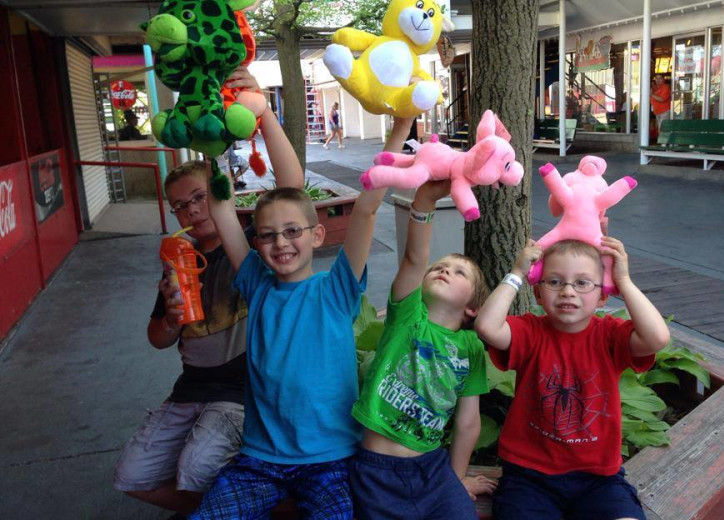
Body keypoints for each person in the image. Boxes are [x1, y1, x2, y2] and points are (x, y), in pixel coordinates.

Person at [188, 117, 415, 519]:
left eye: (292, 230)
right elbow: (222, 209)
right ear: (255, 242)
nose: (280, 242)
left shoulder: (336, 288)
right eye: (267, 234)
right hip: (260, 460)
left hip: (331, 459)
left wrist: (401, 125)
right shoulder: (257, 286)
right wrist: (213, 138)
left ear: (317, 235)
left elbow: (366, 209)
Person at [112, 67, 303, 517]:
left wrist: (259, 108)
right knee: (131, 477)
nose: (192, 210)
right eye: (180, 204)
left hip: (240, 388)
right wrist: (172, 319)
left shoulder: (251, 246)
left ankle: (251, 504)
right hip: (190, 386)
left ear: (219, 191)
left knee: (195, 468)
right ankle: (237, 508)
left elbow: (291, 186)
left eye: (199, 198)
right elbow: (157, 338)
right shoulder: (179, 256)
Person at [474, 238, 671, 520]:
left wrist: (624, 281)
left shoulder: (609, 335)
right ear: (538, 293)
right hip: (530, 477)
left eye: (583, 283)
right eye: (554, 282)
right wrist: (517, 273)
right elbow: (487, 326)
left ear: (603, 296)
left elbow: (658, 337)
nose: (568, 291)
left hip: (598, 479)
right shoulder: (530, 332)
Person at [349, 179, 496, 519]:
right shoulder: (408, 316)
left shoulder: (470, 347)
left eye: (459, 273)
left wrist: (457, 479)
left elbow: (469, 422)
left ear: (472, 307)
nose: (444, 269)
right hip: (376, 472)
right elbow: (416, 258)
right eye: (440, 267)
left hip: (433, 471)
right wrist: (425, 199)